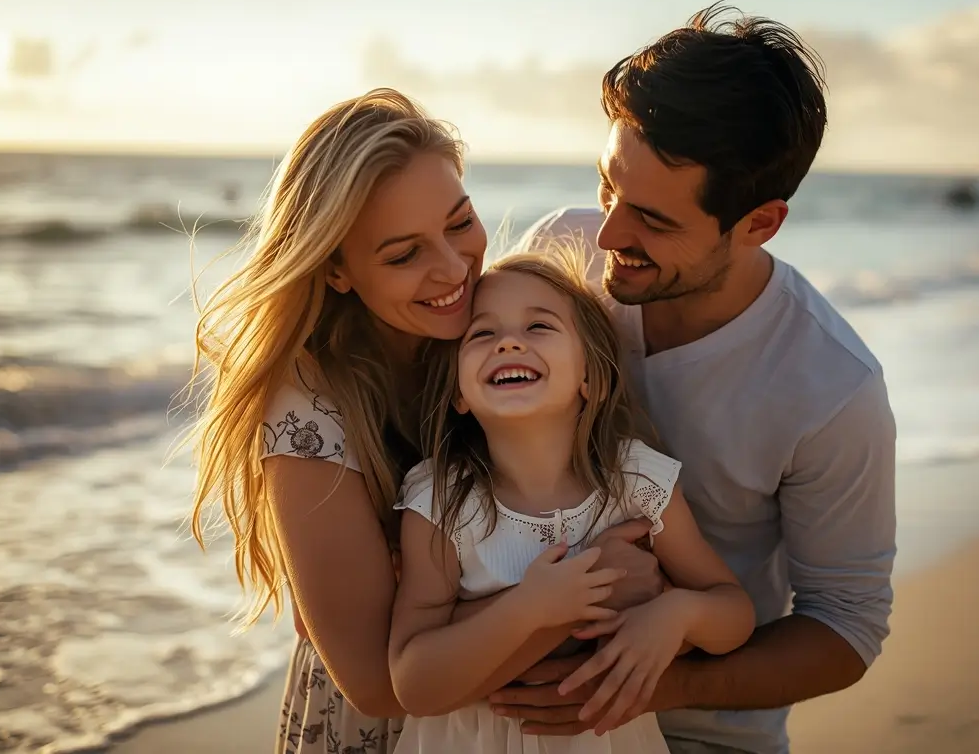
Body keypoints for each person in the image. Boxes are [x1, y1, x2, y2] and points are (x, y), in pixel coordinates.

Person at [185, 89, 658, 754]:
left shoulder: (489, 338)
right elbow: (378, 684)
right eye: (404, 254)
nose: (453, 268)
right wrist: (592, 584)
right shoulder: (310, 414)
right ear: (337, 270)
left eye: (460, 222)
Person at [491, 3, 898, 754]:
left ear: (759, 224)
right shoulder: (563, 255)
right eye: (607, 187)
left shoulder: (831, 389)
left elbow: (847, 627)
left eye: (652, 219)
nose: (609, 235)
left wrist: (654, 683)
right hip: (500, 721)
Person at [388, 250, 757, 753]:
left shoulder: (636, 483)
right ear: (459, 393)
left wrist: (676, 616)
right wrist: (532, 607)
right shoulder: (441, 502)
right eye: (482, 333)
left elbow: (733, 614)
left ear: (591, 377)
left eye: (539, 326)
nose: (509, 341)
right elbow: (415, 684)